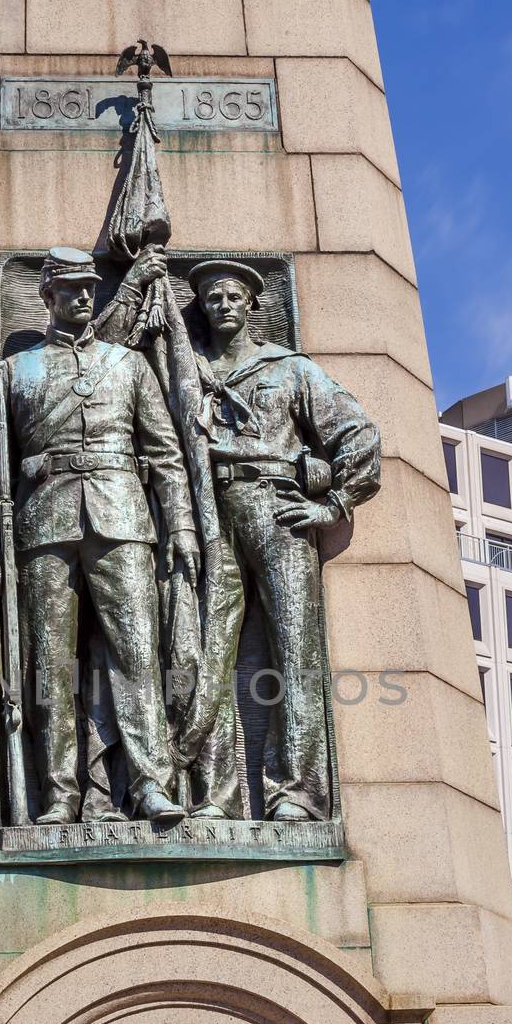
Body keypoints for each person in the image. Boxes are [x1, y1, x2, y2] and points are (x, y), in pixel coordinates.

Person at [0, 247, 201, 825]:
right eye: (71, 288)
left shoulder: (128, 365)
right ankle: (61, 795)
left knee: (137, 653)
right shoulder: (15, 372)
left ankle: (149, 787)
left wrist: (183, 526)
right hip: (44, 525)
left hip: (121, 516)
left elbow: (166, 456)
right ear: (48, 296)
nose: (85, 296)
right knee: (51, 664)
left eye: (90, 286)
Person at [185, 259, 381, 821]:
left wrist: (333, 504)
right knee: (207, 653)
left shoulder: (289, 370)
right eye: (212, 297)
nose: (222, 304)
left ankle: (296, 791)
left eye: (232, 296)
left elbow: (360, 435)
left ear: (251, 305)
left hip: (278, 510)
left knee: (295, 650)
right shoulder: (186, 370)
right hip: (209, 513)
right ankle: (213, 796)